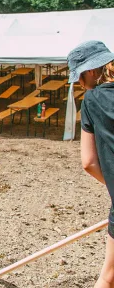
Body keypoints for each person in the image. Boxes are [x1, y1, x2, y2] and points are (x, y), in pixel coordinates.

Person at [67, 40, 114, 288]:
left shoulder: (93, 100)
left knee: (109, 276)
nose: (80, 84)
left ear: (93, 71)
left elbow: (88, 162)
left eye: (80, 77)